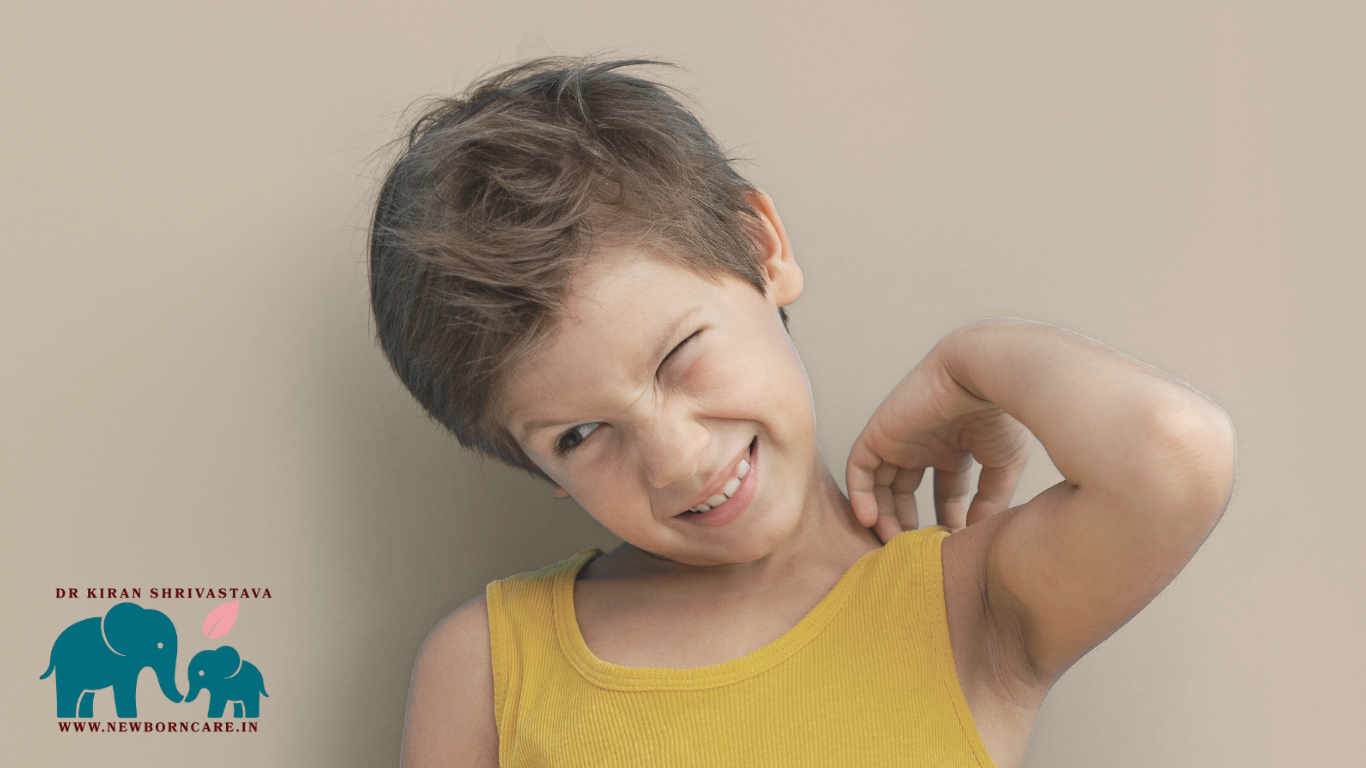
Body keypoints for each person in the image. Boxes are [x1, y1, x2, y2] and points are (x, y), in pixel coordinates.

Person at [370, 56, 1236, 768]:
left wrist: (972, 359)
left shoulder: (964, 606)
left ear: (762, 249)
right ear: (535, 465)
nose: (676, 460)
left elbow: (1175, 453)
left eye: (677, 356)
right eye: (581, 435)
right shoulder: (486, 664)